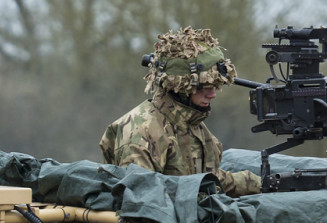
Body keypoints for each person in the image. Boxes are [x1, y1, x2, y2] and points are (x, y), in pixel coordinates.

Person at [99, 26, 264, 196]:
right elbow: (142, 201)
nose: (213, 94)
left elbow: (209, 182)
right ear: (180, 87)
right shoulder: (141, 132)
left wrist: (263, 184)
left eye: (215, 86)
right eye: (205, 87)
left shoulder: (195, 129)